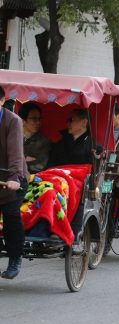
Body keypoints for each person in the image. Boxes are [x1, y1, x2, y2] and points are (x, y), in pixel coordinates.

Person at [0, 86, 29, 279]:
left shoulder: (13, 121)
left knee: (10, 215)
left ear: (2, 101)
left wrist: (14, 178)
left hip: (14, 178)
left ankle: (15, 257)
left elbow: (16, 154)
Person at [19, 102, 51, 173]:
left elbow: (39, 166)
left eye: (39, 119)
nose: (38, 122)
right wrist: (25, 158)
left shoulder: (44, 142)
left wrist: (17, 160)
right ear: (23, 121)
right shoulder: (12, 137)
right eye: (34, 119)